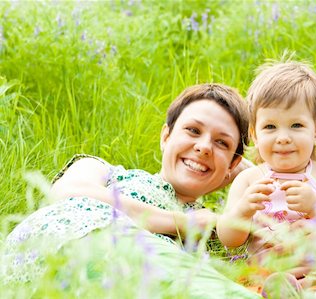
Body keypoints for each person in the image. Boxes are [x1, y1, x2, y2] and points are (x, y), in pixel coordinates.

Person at [2, 83, 260, 298]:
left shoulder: (221, 231)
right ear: (166, 137)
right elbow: (66, 192)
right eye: (193, 130)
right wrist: (184, 222)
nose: (204, 147)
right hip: (75, 251)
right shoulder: (103, 170)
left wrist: (247, 174)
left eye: (221, 143)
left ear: (234, 163)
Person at [216, 61, 316, 295]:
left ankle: (301, 290)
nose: (283, 137)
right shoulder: (248, 180)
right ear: (254, 134)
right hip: (263, 272)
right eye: (270, 127)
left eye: (296, 125)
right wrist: (243, 211)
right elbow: (228, 237)